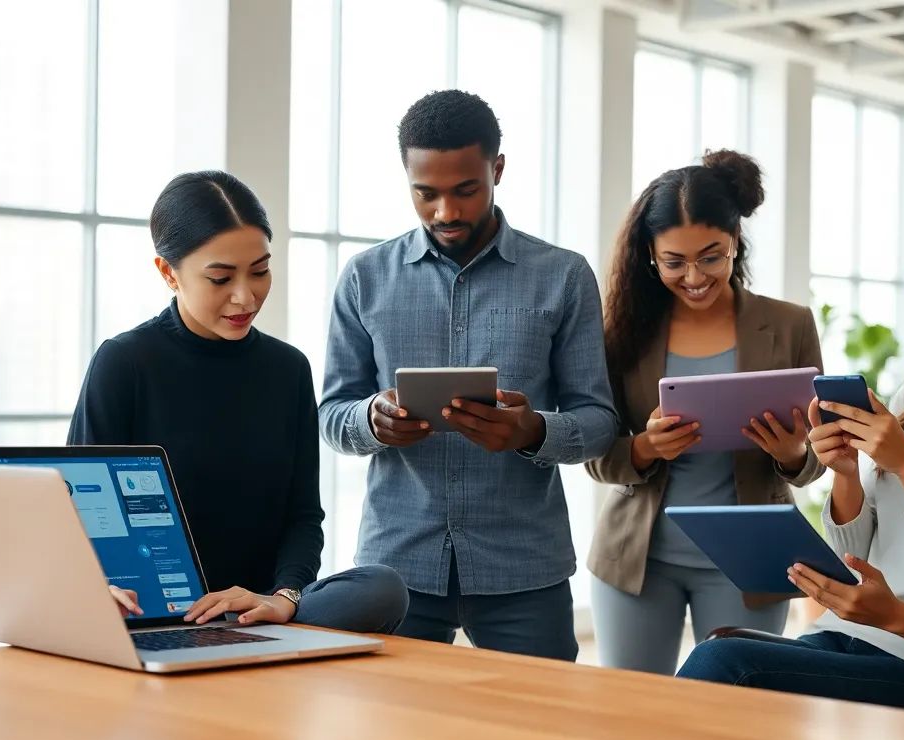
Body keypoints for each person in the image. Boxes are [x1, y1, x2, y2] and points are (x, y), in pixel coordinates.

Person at [677, 211, 904, 707]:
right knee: (719, 663)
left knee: (723, 663)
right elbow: (855, 555)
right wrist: (845, 474)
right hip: (851, 635)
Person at [318, 89, 617, 661]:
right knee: (398, 721)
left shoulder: (564, 276)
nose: (445, 213)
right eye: (425, 193)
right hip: (398, 566)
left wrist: (533, 431)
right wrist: (371, 421)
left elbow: (600, 421)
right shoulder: (364, 277)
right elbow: (331, 414)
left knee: (538, 720)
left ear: (497, 170)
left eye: (465, 190)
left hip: (523, 566)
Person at [67, 170, 408, 634]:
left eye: (260, 271)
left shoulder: (288, 369)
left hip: (256, 613)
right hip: (153, 611)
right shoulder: (124, 362)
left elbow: (303, 516)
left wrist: (284, 597)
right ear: (168, 273)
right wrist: (98, 585)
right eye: (220, 278)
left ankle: (264, 626)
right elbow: (79, 508)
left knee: (382, 587)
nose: (246, 296)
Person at [584, 150, 826, 674]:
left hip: (751, 559)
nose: (694, 276)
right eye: (674, 262)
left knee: (736, 709)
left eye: (711, 257)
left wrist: (792, 454)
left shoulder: (790, 325)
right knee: (632, 707)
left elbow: (818, 459)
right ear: (650, 256)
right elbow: (596, 456)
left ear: (735, 239)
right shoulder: (620, 332)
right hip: (639, 559)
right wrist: (644, 447)